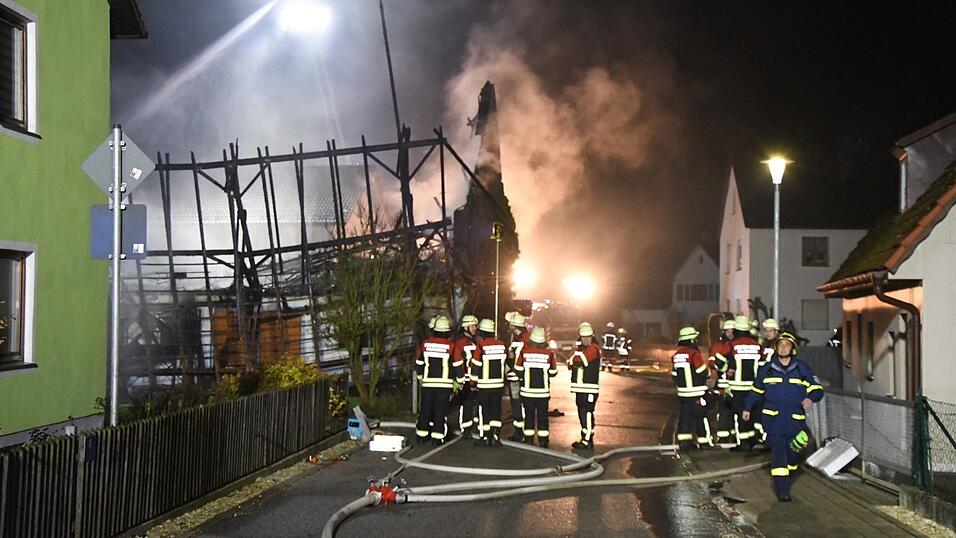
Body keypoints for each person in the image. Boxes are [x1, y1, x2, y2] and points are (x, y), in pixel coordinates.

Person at [743, 332, 823, 501]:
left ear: (793, 349)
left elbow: (816, 389)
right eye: (780, 345)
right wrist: (747, 408)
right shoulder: (767, 368)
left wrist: (811, 398)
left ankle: (789, 470)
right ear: (776, 348)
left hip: (795, 420)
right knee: (779, 454)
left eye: (787, 345)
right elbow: (756, 390)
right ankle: (782, 490)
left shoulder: (802, 368)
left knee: (793, 452)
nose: (783, 347)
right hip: (773, 420)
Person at [415, 315, 462, 445]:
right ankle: (437, 437)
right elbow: (458, 366)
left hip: (428, 384)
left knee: (425, 409)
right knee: (440, 411)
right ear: (448, 332)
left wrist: (420, 377)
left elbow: (419, 363)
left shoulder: (425, 344)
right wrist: (460, 380)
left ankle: (421, 436)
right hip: (444, 386)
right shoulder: (452, 346)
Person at [514, 327, 558, 447]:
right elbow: (553, 372)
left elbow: (517, 369)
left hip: (527, 392)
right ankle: (543, 441)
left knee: (529, 416)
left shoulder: (524, 353)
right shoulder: (549, 354)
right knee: (543, 416)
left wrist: (525, 376)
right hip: (543, 393)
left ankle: (528, 440)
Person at [725, 315, 763, 451]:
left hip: (738, 387)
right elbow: (762, 365)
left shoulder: (732, 345)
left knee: (740, 415)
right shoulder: (757, 346)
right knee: (751, 414)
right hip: (754, 387)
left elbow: (725, 365)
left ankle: (743, 443)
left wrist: (726, 372)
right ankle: (752, 440)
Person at [671, 326, 713, 450]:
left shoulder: (676, 355)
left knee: (685, 419)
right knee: (701, 418)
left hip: (683, 395)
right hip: (697, 394)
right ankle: (704, 443)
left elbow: (674, 375)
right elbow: (703, 372)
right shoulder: (694, 354)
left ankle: (684, 443)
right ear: (691, 340)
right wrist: (709, 373)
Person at [471, 318, 508, 447]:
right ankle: (495, 436)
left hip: (484, 386)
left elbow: (476, 366)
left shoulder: (480, 346)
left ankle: (485, 437)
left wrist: (472, 383)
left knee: (484, 412)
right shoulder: (502, 345)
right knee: (496, 411)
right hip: (498, 385)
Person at [569, 322, 602, 449]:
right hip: (581, 388)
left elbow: (577, 360)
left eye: (588, 337)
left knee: (587, 412)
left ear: (592, 337)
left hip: (589, 388)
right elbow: (571, 363)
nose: (586, 340)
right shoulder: (583, 350)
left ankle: (587, 440)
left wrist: (574, 355)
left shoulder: (593, 349)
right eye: (583, 337)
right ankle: (586, 437)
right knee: (583, 412)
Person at [710, 319, 736, 444]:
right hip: (723, 385)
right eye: (728, 331)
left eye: (732, 331)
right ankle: (723, 437)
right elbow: (713, 362)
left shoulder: (738, 344)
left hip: (736, 385)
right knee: (724, 411)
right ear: (724, 331)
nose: (730, 333)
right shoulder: (718, 345)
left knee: (735, 413)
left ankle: (734, 435)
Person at [454, 314, 480, 437]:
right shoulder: (459, 343)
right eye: (473, 326)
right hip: (465, 380)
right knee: (467, 404)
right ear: (466, 327)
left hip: (476, 379)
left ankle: (475, 428)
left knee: (476, 404)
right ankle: (466, 429)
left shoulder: (476, 342)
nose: (475, 328)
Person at [506, 313, 529, 441]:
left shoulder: (517, 341)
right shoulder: (527, 339)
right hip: (523, 377)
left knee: (517, 405)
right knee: (522, 405)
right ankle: (523, 432)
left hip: (515, 377)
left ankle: (520, 432)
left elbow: (512, 359)